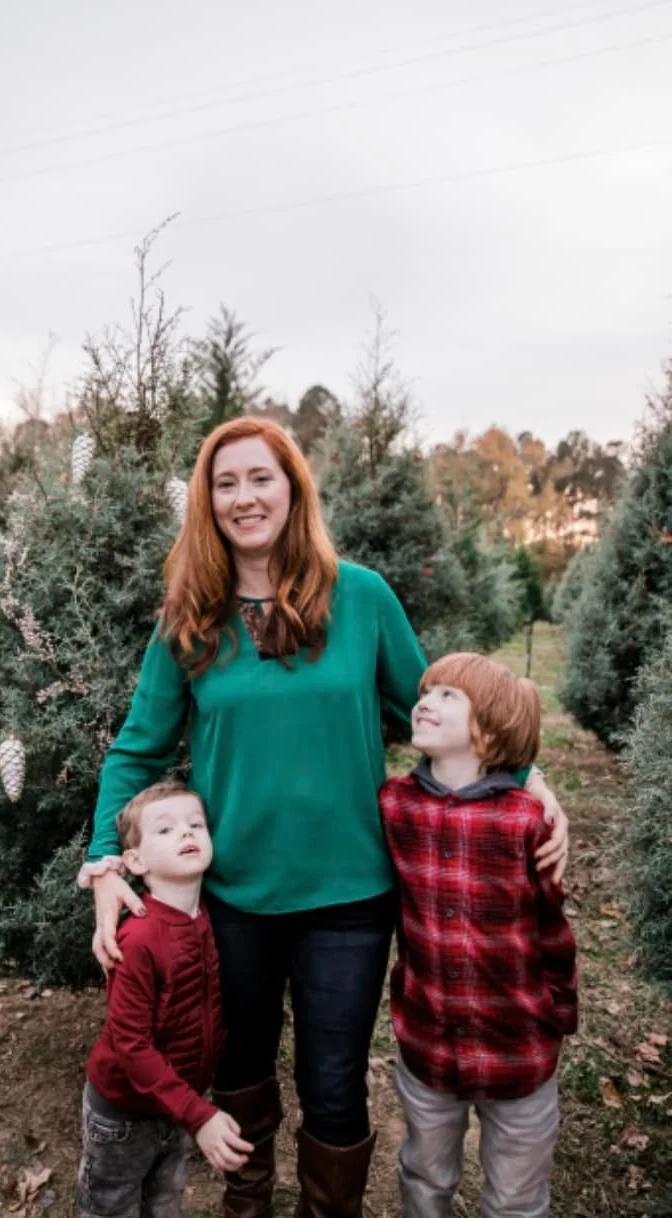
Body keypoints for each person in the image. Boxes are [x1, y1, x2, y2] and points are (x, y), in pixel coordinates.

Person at [78, 416, 569, 1218]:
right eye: (225, 483)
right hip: (233, 897)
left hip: (348, 897)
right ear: (207, 503)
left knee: (333, 1082)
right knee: (240, 1067)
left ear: (293, 487)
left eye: (260, 478)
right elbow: (136, 751)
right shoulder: (189, 616)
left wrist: (530, 777)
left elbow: (440, 711)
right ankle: (248, 1204)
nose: (244, 497)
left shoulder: (362, 595)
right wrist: (105, 862)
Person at [379, 653, 577, 1218]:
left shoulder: (524, 821)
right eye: (425, 691)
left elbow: (551, 930)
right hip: (429, 1043)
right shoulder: (394, 806)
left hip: (520, 1048)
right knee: (423, 1174)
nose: (424, 701)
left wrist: (559, 1010)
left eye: (447, 696)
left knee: (516, 1195)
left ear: (488, 731)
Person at [77, 782, 252, 1218]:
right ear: (134, 861)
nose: (187, 834)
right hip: (123, 1113)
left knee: (166, 1199)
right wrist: (200, 1115)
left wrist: (190, 1108)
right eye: (166, 829)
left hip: (178, 1102)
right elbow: (130, 1044)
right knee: (111, 1206)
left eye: (196, 824)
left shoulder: (207, 917)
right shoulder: (138, 937)